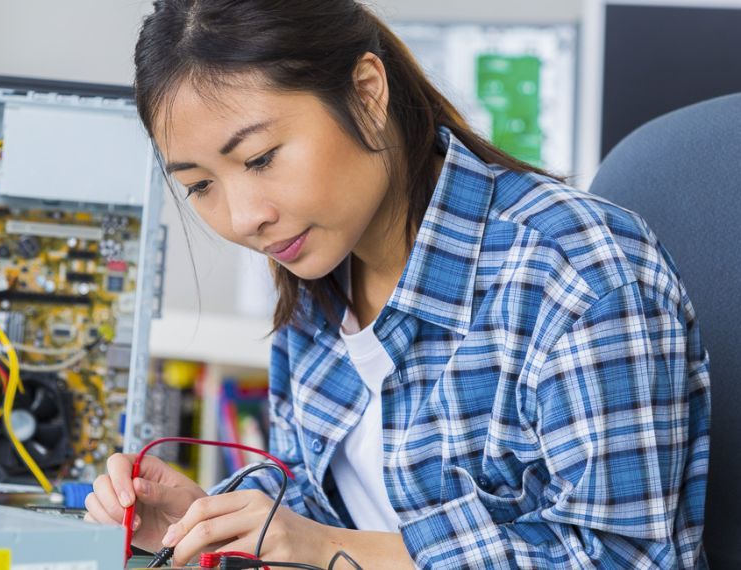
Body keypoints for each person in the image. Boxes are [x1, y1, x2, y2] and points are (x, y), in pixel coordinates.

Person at [84, 1, 712, 567]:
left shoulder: (574, 272)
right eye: (200, 185)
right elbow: (314, 496)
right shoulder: (314, 273)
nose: (244, 217)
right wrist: (209, 519)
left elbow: (618, 559)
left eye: (261, 158)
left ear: (366, 92)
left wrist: (330, 548)